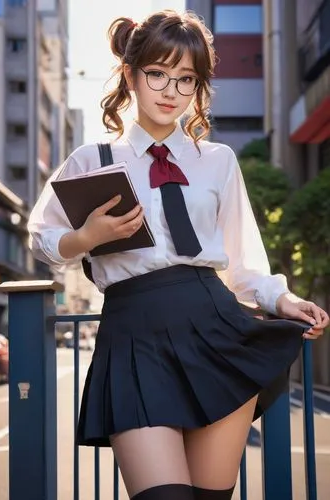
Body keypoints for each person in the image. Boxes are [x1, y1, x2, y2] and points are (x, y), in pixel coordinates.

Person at [28, 10, 329, 500]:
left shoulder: (217, 161)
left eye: (185, 79)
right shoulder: (93, 159)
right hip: (134, 338)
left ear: (198, 87)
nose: (170, 91)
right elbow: (41, 239)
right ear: (131, 75)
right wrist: (87, 237)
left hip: (215, 330)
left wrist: (281, 300)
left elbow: (242, 260)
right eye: (157, 74)